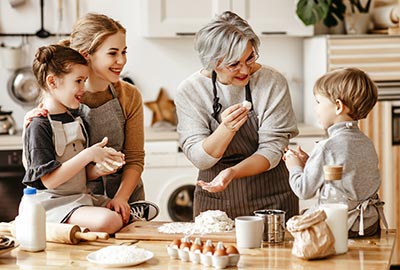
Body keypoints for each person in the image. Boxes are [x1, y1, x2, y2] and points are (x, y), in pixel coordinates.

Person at [25, 13, 158, 224]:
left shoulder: (129, 95)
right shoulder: (66, 96)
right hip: (78, 205)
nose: (121, 60)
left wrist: (121, 199)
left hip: (122, 202)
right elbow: (41, 165)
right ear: (86, 55)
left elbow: (134, 158)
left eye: (124, 52)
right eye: (113, 53)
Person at [174, 11, 299, 220]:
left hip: (272, 197)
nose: (244, 70)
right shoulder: (191, 90)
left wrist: (232, 172)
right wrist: (226, 129)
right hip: (216, 199)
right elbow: (200, 158)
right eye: (233, 64)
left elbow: (272, 148)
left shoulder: (272, 82)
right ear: (212, 63)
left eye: (249, 58)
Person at [23, 44, 125, 233]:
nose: (83, 88)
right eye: (78, 81)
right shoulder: (39, 125)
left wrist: (100, 168)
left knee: (122, 213)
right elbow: (49, 182)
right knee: (109, 221)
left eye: (84, 80)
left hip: (79, 198)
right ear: (52, 82)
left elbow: (78, 175)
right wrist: (88, 154)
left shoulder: (76, 118)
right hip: (52, 205)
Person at [284, 67, 387, 237]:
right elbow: (345, 175)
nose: (316, 109)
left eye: (319, 102)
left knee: (298, 223)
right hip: (369, 224)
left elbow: (304, 190)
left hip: (342, 225)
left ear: (338, 106)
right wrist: (310, 163)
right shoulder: (365, 142)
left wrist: (294, 166)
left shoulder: (327, 146)